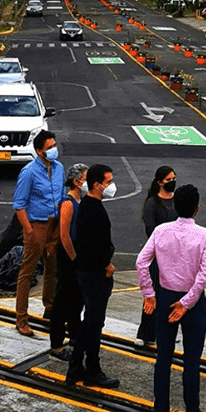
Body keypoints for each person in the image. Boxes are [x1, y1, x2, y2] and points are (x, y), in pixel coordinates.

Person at [137, 184, 206, 412]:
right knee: (191, 361)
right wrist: (186, 303)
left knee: (163, 357)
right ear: (197, 208)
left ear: (175, 206)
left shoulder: (161, 231)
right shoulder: (205, 236)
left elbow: (141, 262)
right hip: (191, 302)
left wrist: (149, 294)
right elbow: (204, 275)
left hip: (164, 296)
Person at [65, 164, 120, 388]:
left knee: (90, 321)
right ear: (97, 185)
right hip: (94, 273)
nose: (111, 186)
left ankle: (76, 367)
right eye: (108, 182)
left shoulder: (88, 205)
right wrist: (106, 265)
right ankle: (91, 369)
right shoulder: (93, 209)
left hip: (87, 270)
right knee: (94, 323)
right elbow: (93, 245)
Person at [13, 130, 64, 337]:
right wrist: (29, 230)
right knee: (28, 272)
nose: (53, 150)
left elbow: (62, 197)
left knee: (52, 270)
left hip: (54, 224)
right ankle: (21, 318)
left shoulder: (59, 168)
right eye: (49, 147)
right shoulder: (29, 172)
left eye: (54, 146)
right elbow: (19, 205)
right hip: (37, 225)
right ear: (38, 151)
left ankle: (49, 309)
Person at [48, 163, 88, 361]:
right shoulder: (68, 203)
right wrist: (74, 259)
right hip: (68, 258)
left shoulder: (81, 201)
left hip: (76, 257)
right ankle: (56, 346)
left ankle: (74, 335)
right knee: (62, 301)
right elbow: (64, 235)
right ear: (76, 181)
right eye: (86, 178)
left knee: (76, 300)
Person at [135, 166, 178, 347]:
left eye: (173, 178)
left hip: (175, 256)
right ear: (160, 182)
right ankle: (146, 333)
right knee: (152, 293)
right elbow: (150, 230)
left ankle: (166, 332)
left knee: (171, 295)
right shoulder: (152, 203)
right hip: (158, 255)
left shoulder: (177, 201)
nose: (172, 182)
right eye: (168, 179)